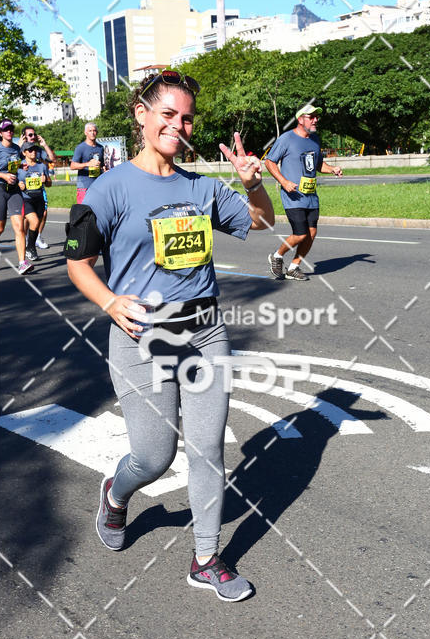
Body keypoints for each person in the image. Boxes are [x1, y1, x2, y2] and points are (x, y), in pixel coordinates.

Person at [65, 69, 274, 601]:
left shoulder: (201, 187)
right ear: (141, 115)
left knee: (207, 449)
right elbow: (78, 263)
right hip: (141, 335)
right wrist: (109, 300)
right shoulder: (108, 189)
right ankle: (116, 494)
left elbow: (261, 223)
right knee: (154, 458)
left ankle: (206, 559)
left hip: (204, 332)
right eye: (167, 114)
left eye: (187, 118)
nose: (178, 126)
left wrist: (252, 183)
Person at [265, 104, 343, 281]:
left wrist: (332, 169)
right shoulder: (286, 139)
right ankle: (277, 256)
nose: (315, 120)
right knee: (300, 234)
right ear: (300, 119)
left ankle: (294, 267)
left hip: (311, 196)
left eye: (316, 117)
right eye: (311, 117)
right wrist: (284, 182)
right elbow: (269, 162)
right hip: (293, 196)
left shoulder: (314, 140)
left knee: (312, 233)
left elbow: (318, 164)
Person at [0, 119, 33, 275]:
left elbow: (13, 164)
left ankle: (22, 263)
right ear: (0, 133)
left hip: (14, 190)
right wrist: (3, 176)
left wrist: (21, 166)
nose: (9, 131)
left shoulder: (16, 149)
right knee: (0, 227)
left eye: (11, 129)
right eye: (6, 129)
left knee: (19, 227)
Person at [20, 125, 56, 249]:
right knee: (26, 217)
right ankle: (25, 237)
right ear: (24, 136)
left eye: (34, 134)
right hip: (24, 189)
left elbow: (52, 159)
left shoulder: (38, 150)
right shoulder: (19, 149)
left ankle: (37, 237)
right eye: (30, 135)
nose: (33, 136)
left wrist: (44, 145)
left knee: (43, 213)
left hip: (38, 187)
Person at [17, 141, 51, 262]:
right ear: (24, 153)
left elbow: (49, 184)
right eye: (30, 150)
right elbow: (11, 182)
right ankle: (31, 247)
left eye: (35, 150)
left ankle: (30, 247)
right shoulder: (19, 166)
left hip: (39, 199)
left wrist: (46, 180)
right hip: (26, 199)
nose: (33, 152)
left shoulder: (42, 166)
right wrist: (18, 185)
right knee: (34, 222)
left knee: (36, 225)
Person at [70, 122, 104, 204]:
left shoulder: (100, 148)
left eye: (94, 131)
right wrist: (88, 164)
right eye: (90, 131)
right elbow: (72, 166)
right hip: (84, 186)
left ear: (97, 132)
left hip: (98, 185)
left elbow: (102, 165)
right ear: (85, 133)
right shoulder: (80, 148)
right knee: (84, 210)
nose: (92, 133)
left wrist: (104, 170)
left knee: (97, 209)